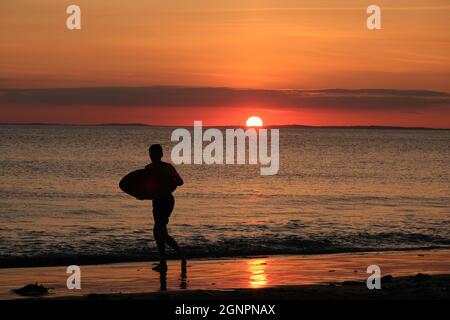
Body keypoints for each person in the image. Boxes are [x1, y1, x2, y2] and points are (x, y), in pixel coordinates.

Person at [144, 144, 186, 273]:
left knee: (160, 231)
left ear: (161, 154)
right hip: (156, 201)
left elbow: (180, 181)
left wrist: (171, 181)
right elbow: (145, 187)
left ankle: (180, 256)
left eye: (155, 154)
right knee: (159, 233)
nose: (152, 156)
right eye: (151, 154)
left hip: (166, 200)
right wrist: (141, 195)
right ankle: (165, 261)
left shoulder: (167, 168)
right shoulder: (148, 168)